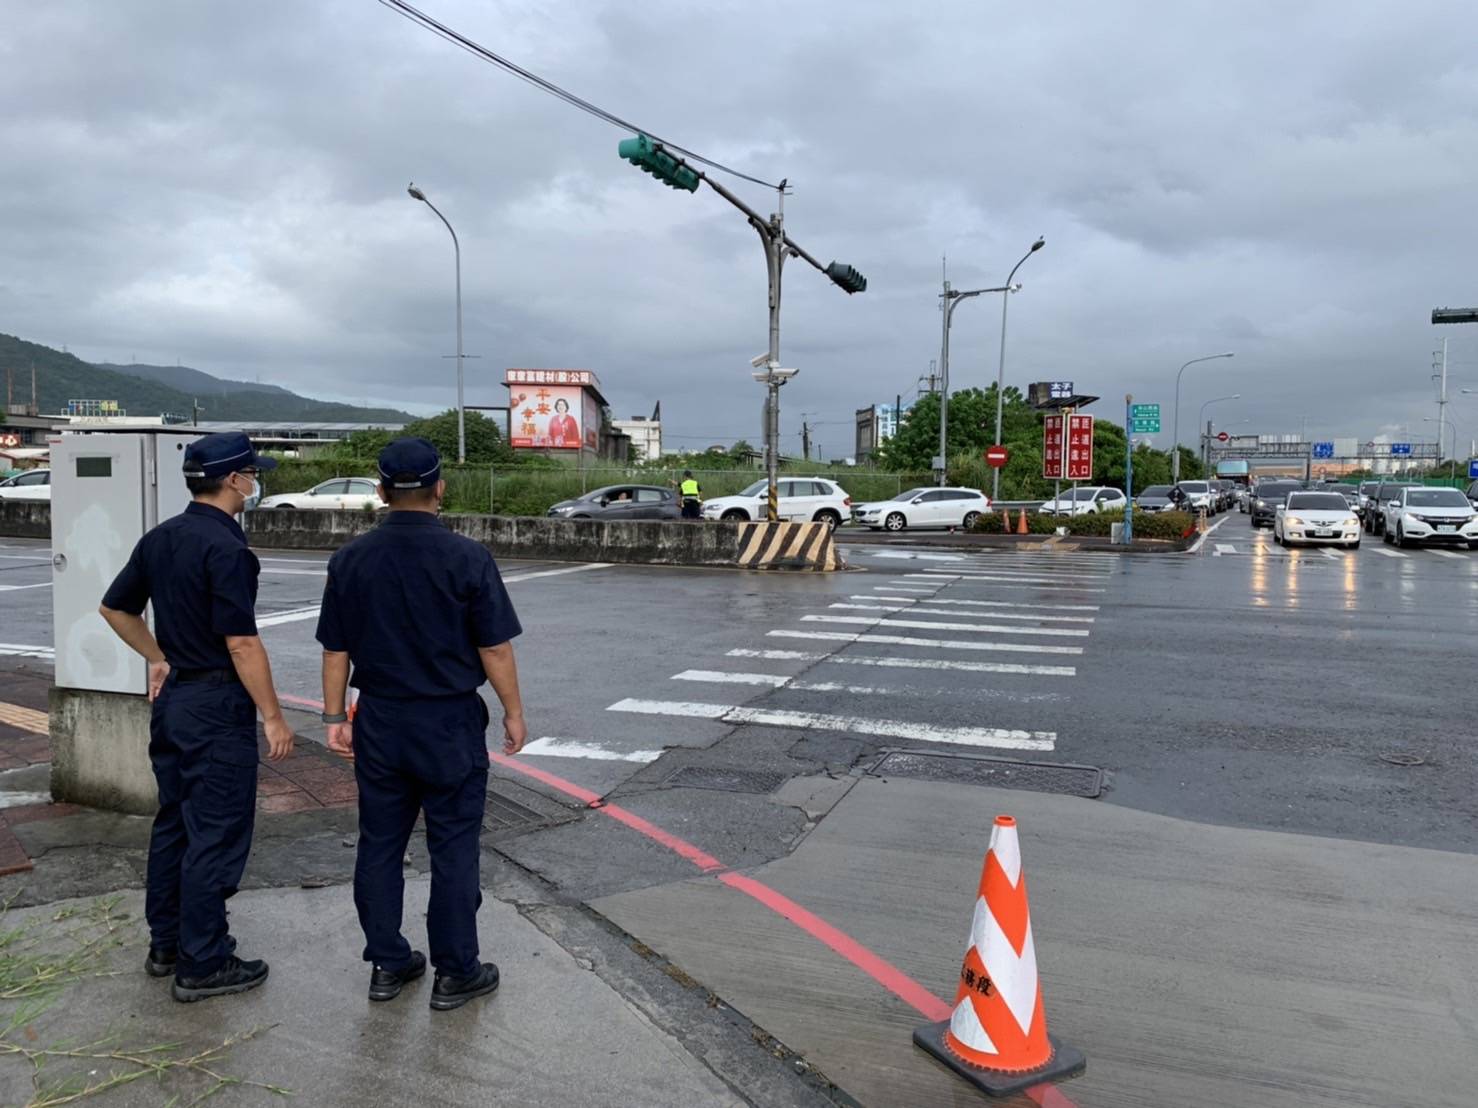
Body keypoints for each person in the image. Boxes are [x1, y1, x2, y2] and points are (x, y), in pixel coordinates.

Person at [316, 437, 527, 1010]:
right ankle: (457, 970)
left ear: (380, 491)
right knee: (453, 846)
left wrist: (336, 716)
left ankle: (388, 962)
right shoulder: (467, 557)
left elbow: (336, 650)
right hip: (448, 721)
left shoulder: (351, 559)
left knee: (380, 843)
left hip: (380, 718)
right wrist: (512, 711)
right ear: (440, 487)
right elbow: (495, 649)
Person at [98, 430, 295, 1004]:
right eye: (252, 475)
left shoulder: (161, 537)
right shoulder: (228, 548)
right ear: (234, 480)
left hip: (178, 702)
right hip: (216, 706)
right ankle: (204, 961)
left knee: (175, 823)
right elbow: (241, 644)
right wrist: (274, 717)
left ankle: (167, 943)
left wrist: (159, 658)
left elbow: (115, 607)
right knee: (216, 831)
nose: (255, 483)